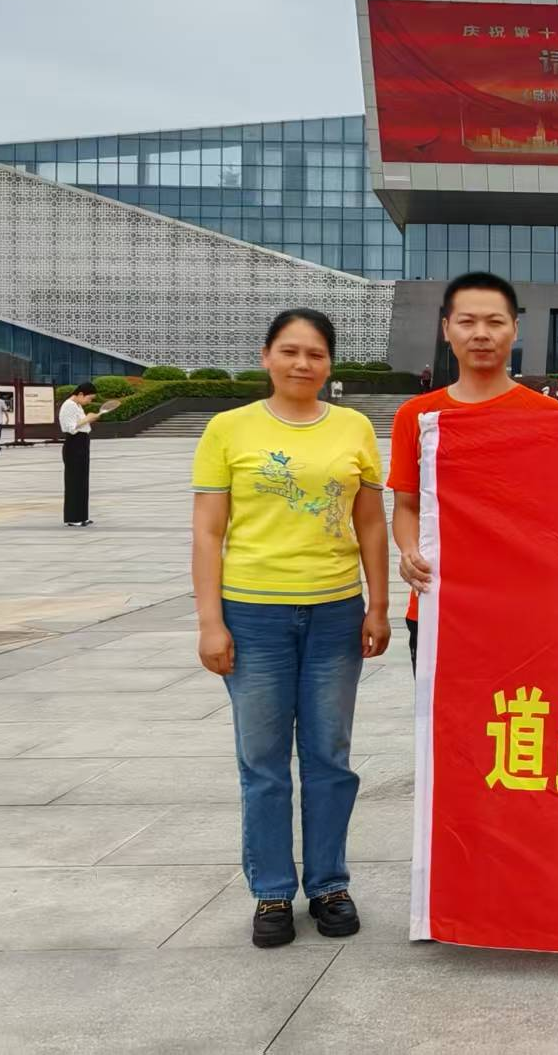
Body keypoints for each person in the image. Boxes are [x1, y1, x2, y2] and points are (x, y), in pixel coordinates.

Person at [190, 308, 390, 949]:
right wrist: (210, 622)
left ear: (329, 363)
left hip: (334, 614)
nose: (303, 364)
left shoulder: (355, 427)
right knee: (264, 762)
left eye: (315, 354)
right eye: (290, 351)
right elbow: (208, 531)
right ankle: (272, 891)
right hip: (253, 616)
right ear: (267, 356)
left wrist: (378, 605)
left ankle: (329, 883)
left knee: (330, 757)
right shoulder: (228, 429)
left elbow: (370, 523)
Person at [390, 272, 558, 672]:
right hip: (439, 604)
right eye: (467, 322)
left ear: (515, 329)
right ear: (446, 328)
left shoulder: (550, 417)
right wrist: (410, 551)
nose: (481, 334)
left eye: (495, 322)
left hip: (525, 607)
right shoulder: (417, 416)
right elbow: (406, 506)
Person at [59, 382, 103, 525]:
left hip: (82, 442)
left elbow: (82, 424)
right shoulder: (69, 405)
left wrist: (89, 419)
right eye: (89, 398)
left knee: (82, 480)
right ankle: (73, 518)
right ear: (80, 394)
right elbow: (70, 427)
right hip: (74, 444)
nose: (89, 401)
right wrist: (88, 418)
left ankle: (82, 516)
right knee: (74, 481)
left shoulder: (77, 405)